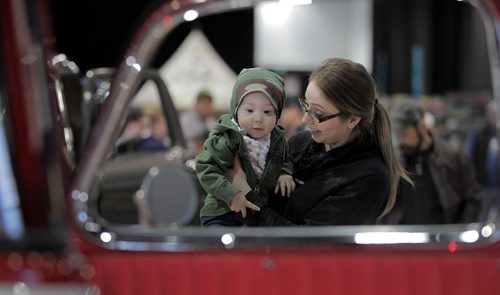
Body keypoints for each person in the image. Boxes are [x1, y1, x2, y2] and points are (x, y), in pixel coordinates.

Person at [229, 58, 411, 226]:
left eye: (318, 113)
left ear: (353, 120)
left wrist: (245, 193)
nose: (304, 120)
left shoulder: (370, 177)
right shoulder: (300, 142)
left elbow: (310, 245)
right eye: (306, 106)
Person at [195, 67, 295, 227]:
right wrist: (231, 194)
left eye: (268, 112)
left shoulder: (278, 140)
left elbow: (286, 159)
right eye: (249, 110)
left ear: (278, 115)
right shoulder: (227, 136)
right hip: (223, 213)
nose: (258, 118)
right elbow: (206, 168)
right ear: (236, 110)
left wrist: (285, 173)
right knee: (221, 250)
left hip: (257, 214)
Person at [382, 99, 482, 224]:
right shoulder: (394, 161)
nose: (400, 141)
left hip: (442, 240)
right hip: (403, 240)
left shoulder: (454, 157)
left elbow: (472, 200)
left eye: (404, 134)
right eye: (397, 135)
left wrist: (458, 234)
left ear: (422, 127)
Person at [465, 99, 499, 190]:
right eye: (495, 116)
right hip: (484, 187)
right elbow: (469, 159)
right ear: (488, 116)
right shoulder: (479, 136)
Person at [180, 89, 217, 154]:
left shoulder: (213, 122)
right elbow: (179, 144)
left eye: (208, 103)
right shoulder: (185, 120)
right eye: (203, 102)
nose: (206, 106)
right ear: (196, 104)